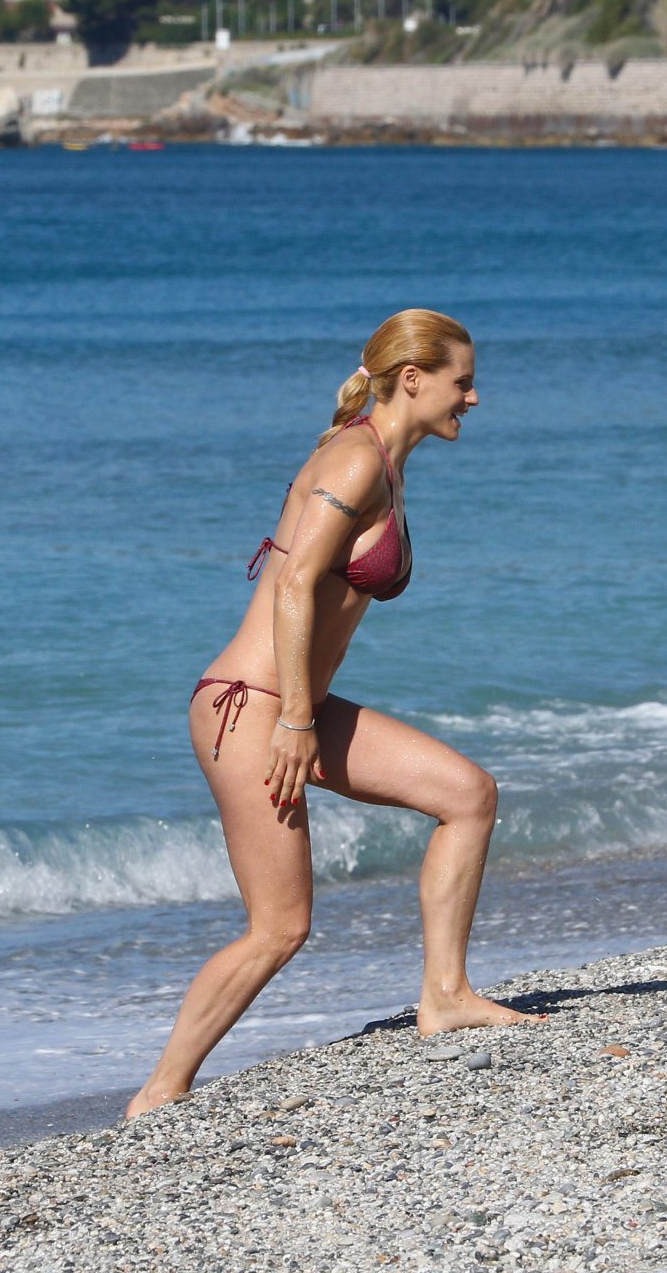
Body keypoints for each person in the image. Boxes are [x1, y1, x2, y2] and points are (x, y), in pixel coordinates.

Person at [127, 309, 542, 1119]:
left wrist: (304, 715)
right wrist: (293, 723)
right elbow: (291, 586)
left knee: (468, 796)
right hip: (253, 710)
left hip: (295, 708)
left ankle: (446, 994)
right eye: (462, 382)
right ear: (413, 379)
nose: (474, 397)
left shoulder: (382, 461)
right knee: (280, 926)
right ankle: (158, 1094)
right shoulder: (354, 460)